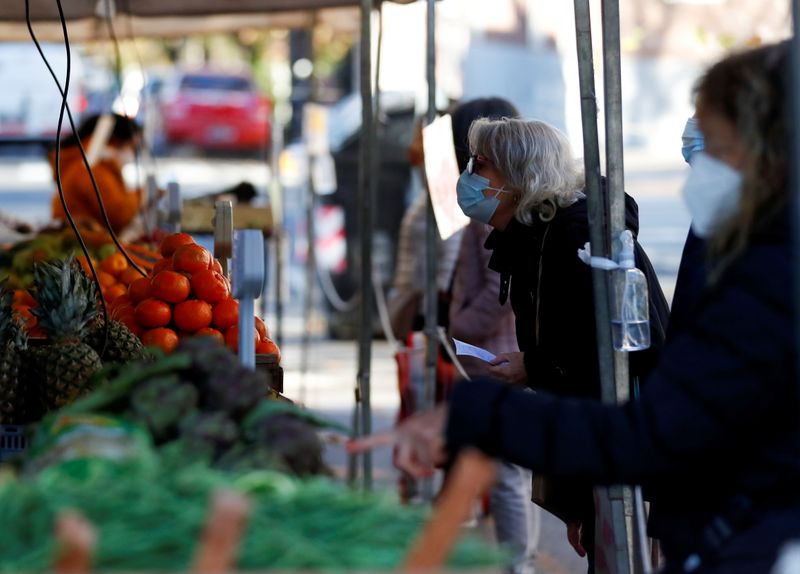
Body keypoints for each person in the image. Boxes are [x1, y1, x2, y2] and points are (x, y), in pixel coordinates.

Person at [351, 40, 800, 573]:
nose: (698, 164)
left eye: (715, 144)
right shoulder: (744, 247)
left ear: (768, 148)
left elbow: (653, 419)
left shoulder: (764, 267)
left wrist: (478, 415)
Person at [456, 116, 668, 571]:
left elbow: (603, 356)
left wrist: (531, 366)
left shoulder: (574, 236)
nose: (469, 173)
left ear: (518, 177)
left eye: (482, 164)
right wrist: (575, 503)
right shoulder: (535, 236)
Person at [448, 97, 539, 574]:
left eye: (478, 163)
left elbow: (494, 297)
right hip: (493, 360)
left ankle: (517, 565)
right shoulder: (492, 219)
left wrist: (455, 326)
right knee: (509, 471)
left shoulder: (505, 225)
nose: (468, 172)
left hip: (499, 361)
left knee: (508, 474)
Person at [50, 113, 144, 234]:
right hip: (79, 242)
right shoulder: (89, 167)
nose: (132, 153)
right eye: (132, 147)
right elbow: (119, 216)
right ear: (114, 142)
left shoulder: (92, 164)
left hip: (79, 238)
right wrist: (141, 195)